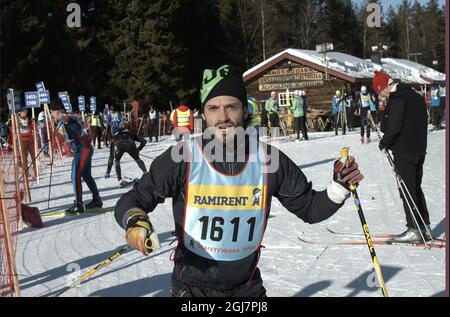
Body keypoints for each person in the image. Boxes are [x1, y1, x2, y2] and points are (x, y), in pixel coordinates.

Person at [114, 65, 364, 297]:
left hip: (247, 289)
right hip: (192, 289)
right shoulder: (182, 158)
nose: (223, 116)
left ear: (245, 111)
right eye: (214, 108)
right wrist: (135, 221)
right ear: (204, 115)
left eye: (231, 107)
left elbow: (309, 208)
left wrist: (338, 188)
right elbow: (133, 200)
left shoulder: (269, 160)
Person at [374, 71, 432, 243]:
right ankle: (424, 227)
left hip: (405, 151)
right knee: (415, 188)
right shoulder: (414, 95)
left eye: (379, 91)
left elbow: (393, 127)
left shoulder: (398, 99)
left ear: (384, 86)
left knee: (406, 190)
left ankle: (414, 228)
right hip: (418, 150)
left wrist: (385, 142)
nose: (380, 95)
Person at [50, 99, 103, 214]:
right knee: (86, 175)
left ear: (57, 112)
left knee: (75, 176)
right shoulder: (64, 120)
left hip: (83, 150)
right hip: (85, 149)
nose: (51, 115)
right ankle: (97, 199)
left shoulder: (66, 119)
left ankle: (78, 204)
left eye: (52, 112)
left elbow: (69, 120)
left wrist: (64, 120)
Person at [17, 108, 37, 178]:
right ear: (20, 112)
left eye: (26, 112)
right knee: (24, 158)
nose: (25, 113)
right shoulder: (17, 119)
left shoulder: (29, 119)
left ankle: (36, 172)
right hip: (22, 140)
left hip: (30, 140)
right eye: (23, 112)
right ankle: (26, 173)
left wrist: (33, 123)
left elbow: (33, 128)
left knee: (34, 156)